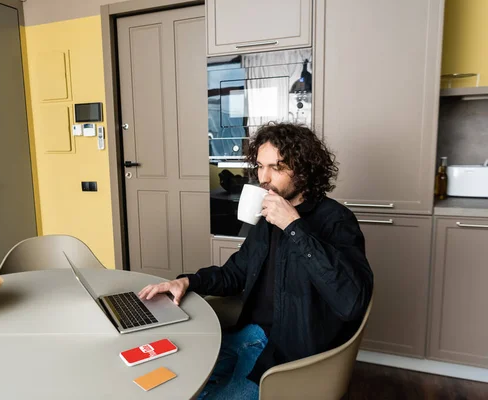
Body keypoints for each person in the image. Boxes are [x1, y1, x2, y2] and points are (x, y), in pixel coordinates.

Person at [138, 122, 373, 400]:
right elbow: (235, 273)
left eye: (277, 167)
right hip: (247, 334)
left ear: (305, 169)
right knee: (174, 383)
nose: (264, 177)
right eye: (260, 166)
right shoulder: (267, 217)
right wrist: (188, 281)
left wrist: (293, 226)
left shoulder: (336, 220)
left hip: (286, 353)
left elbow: (352, 300)